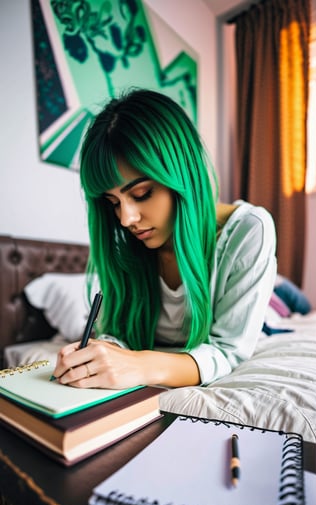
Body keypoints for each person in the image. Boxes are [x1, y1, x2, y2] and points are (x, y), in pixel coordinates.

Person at [53, 89, 276, 389]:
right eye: (113, 202)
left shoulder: (249, 230)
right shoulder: (126, 242)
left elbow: (229, 351)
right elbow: (116, 330)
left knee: (281, 303)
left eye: (142, 194)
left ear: (182, 175)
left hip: (257, 315)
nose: (125, 219)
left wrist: (141, 366)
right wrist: (105, 352)